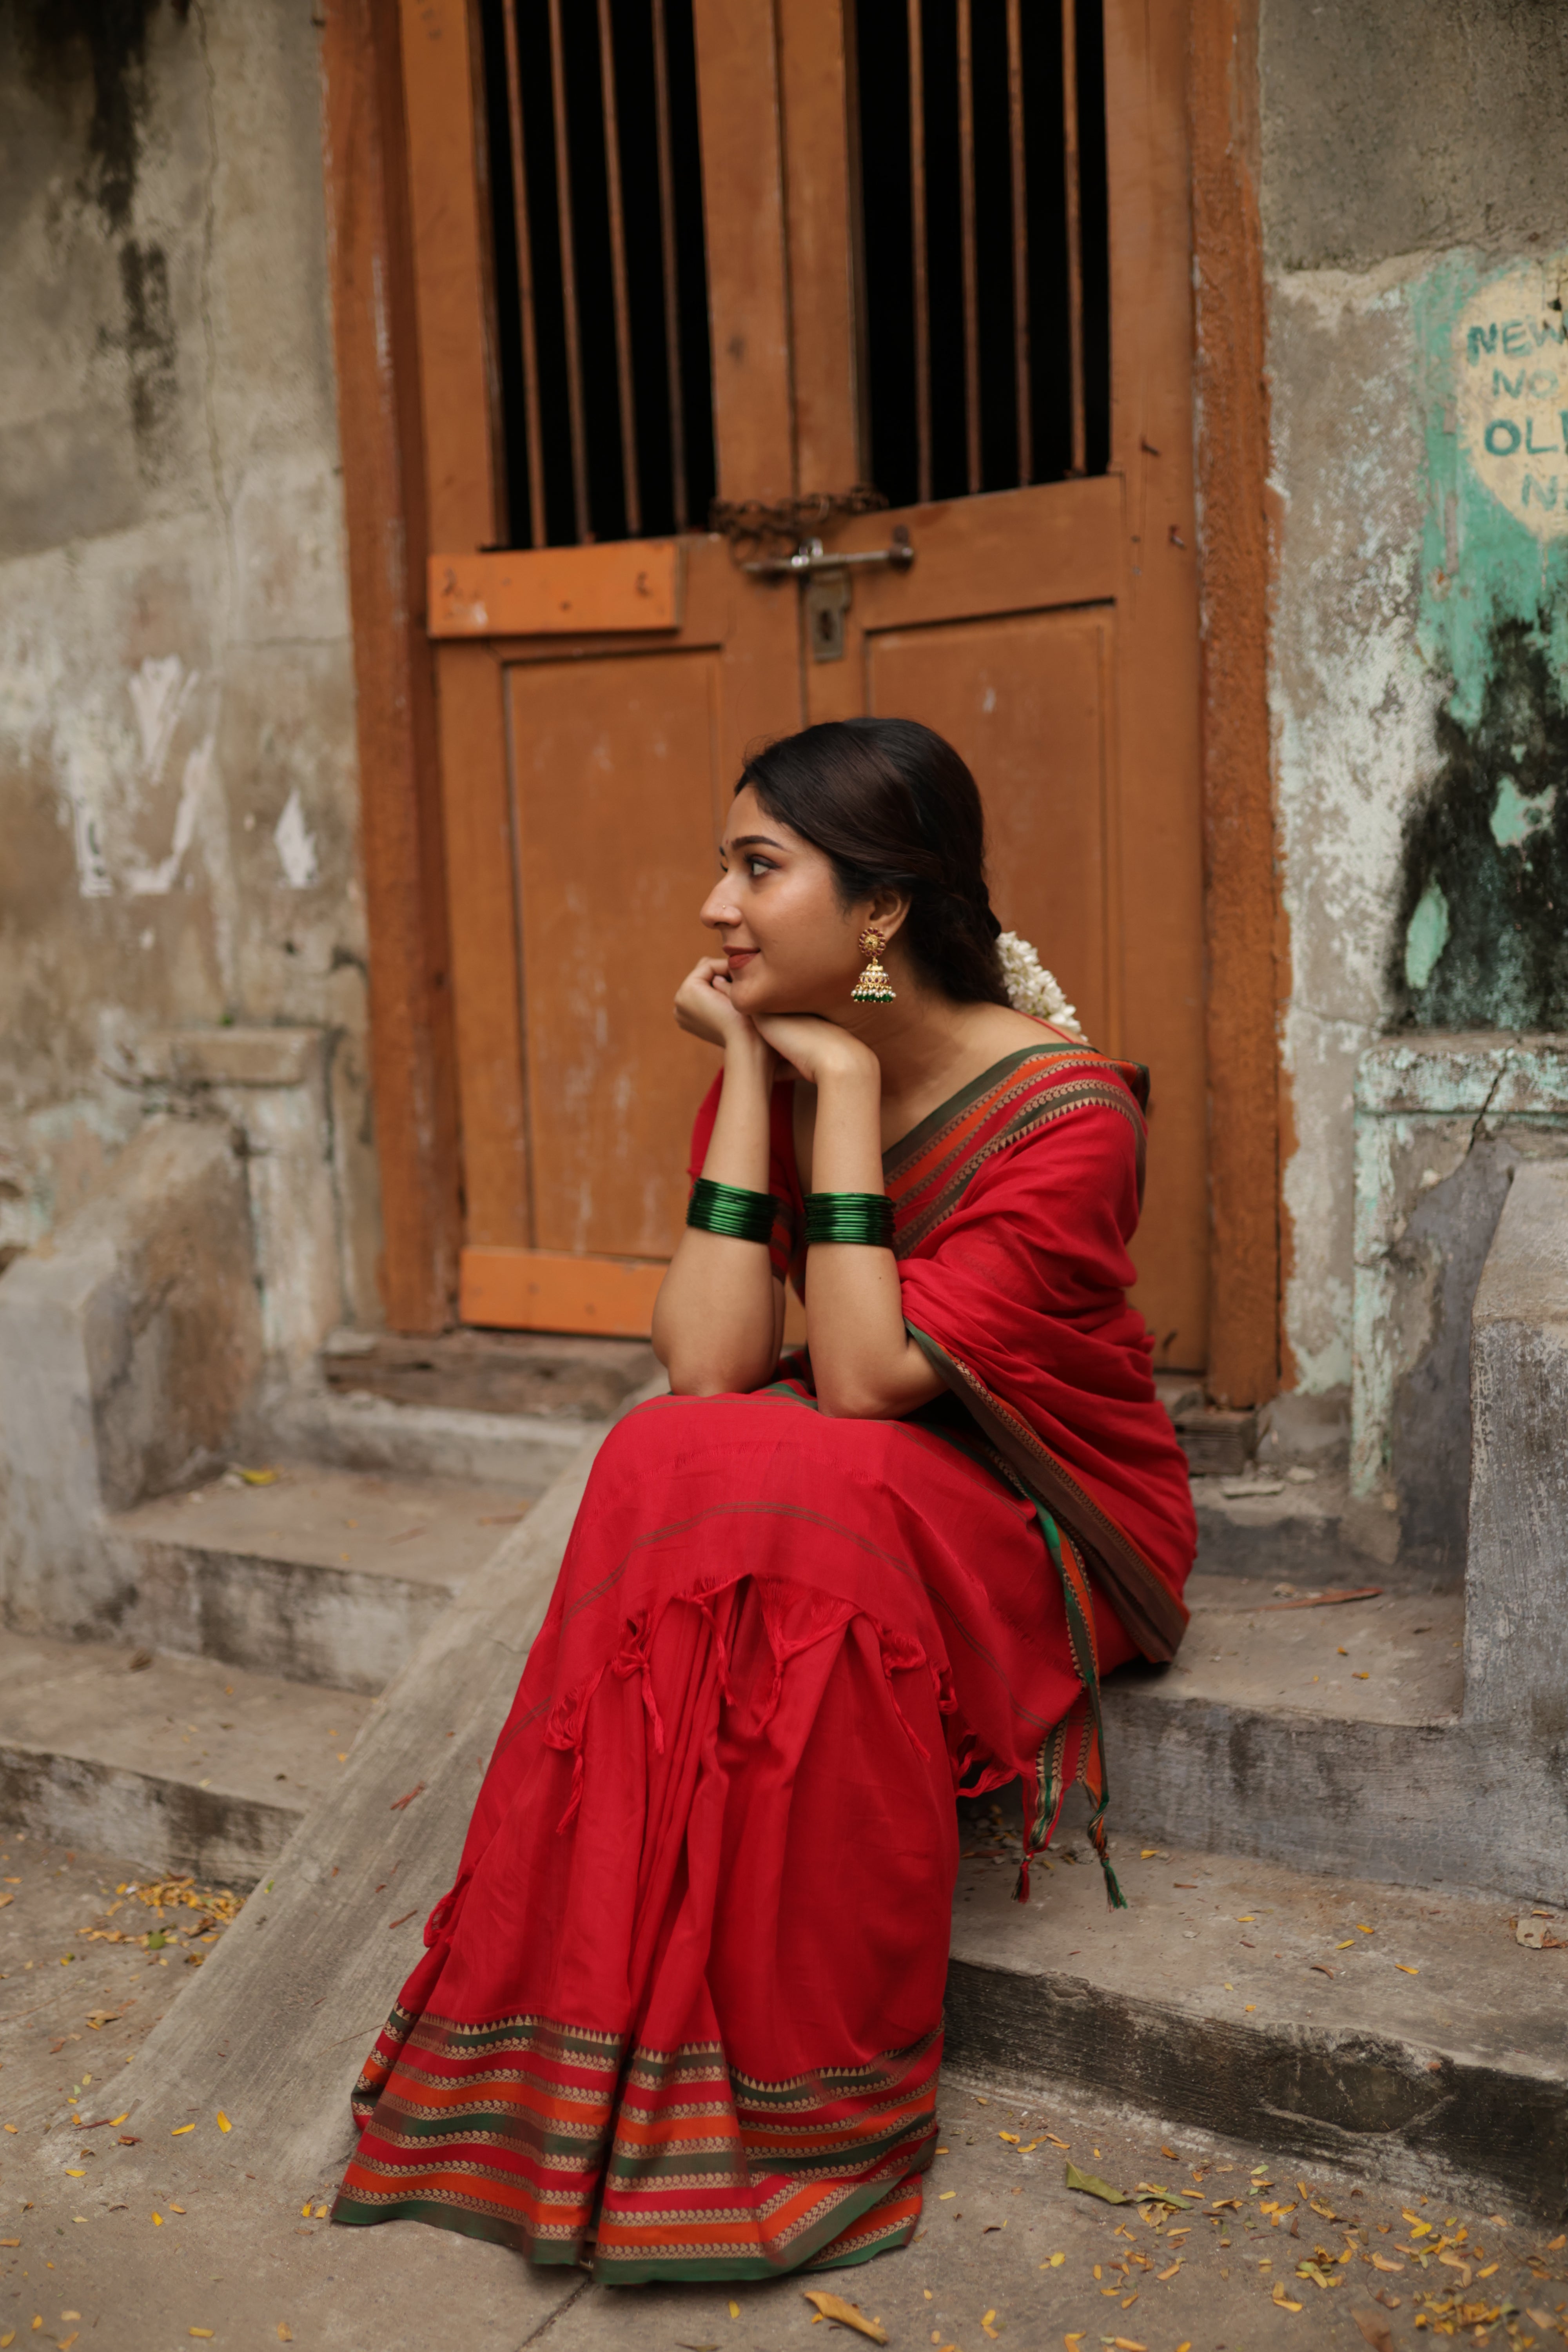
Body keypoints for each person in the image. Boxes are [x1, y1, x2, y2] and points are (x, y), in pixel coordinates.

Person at [332, 717, 1196, 2283]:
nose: (715, 908)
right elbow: (712, 1362)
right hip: (862, 1464)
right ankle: (597, 2040)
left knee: (798, 1476)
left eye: (755, 868)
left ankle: (808, 2105)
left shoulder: (1071, 1121)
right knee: (670, 1456)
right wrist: (750, 1070)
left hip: (1044, 1509)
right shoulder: (784, 1052)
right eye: (725, 866)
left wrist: (845, 1091)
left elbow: (863, 1378)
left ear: (877, 913)